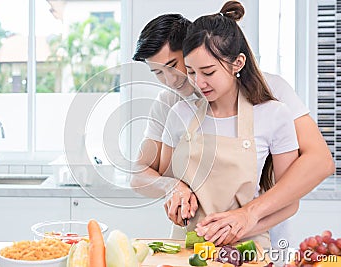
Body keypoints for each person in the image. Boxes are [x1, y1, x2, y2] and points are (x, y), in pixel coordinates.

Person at [130, 5, 335, 246]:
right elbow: (149, 174)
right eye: (158, 73)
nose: (170, 81)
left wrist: (248, 216)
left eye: (174, 66)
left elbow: (320, 161)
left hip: (259, 233)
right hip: (195, 242)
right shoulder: (173, 107)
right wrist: (172, 188)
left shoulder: (271, 97)